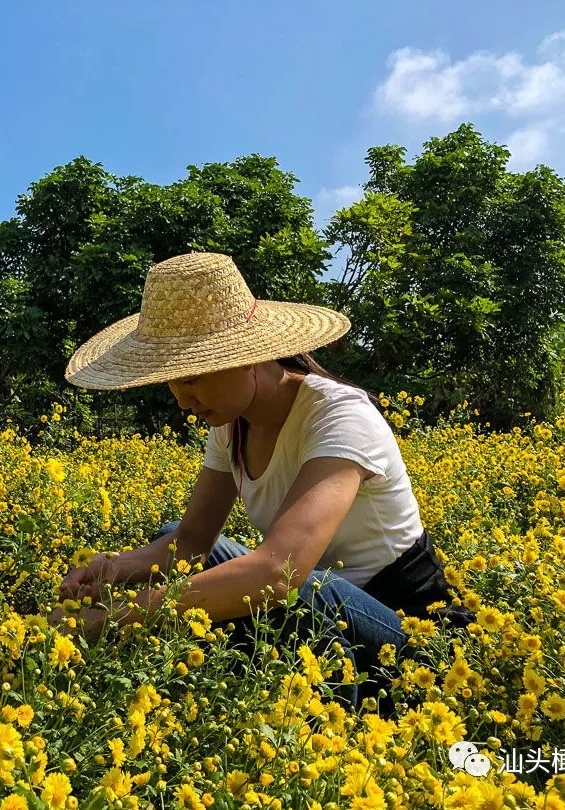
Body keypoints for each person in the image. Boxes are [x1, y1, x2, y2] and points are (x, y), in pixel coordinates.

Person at [52, 252, 472, 711]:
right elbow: (193, 541)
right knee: (172, 539)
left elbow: (279, 573)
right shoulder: (228, 425)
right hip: (316, 607)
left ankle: (345, 710)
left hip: (405, 629)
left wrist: (121, 618)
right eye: (171, 383)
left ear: (249, 357)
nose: (182, 401)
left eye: (193, 378)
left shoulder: (341, 416)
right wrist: (107, 570)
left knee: (305, 587)